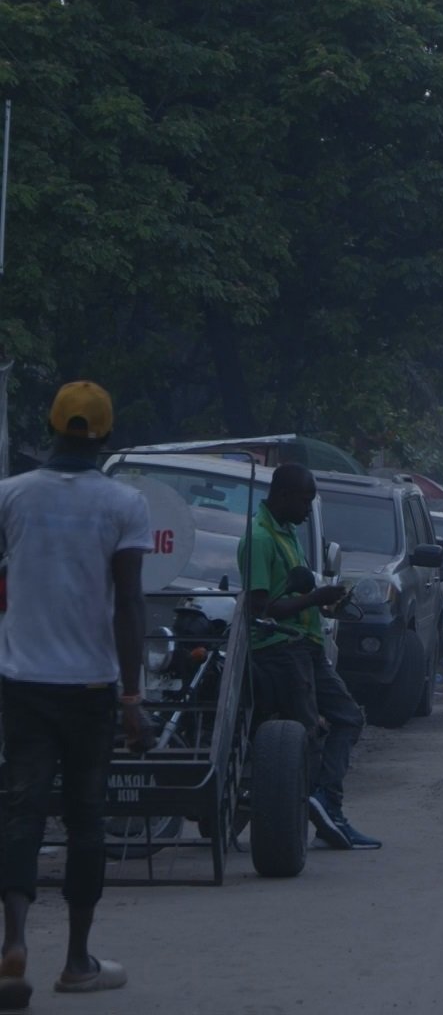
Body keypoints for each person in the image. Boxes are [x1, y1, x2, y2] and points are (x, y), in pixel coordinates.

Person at [0, 383, 152, 1008]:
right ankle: (78, 961)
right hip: (90, 689)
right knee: (86, 820)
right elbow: (130, 607)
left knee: (20, 813)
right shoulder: (125, 503)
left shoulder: (10, 495)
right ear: (106, 437)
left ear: (53, 427)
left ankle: (12, 947)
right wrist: (133, 696)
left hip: (21, 685)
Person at [242, 463, 379, 850]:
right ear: (283, 495)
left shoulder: (287, 534)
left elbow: (294, 594)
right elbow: (259, 608)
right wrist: (316, 598)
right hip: (280, 650)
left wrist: (325, 604)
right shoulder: (259, 538)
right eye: (305, 500)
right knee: (307, 737)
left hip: (307, 646)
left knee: (348, 717)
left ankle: (324, 804)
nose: (308, 509)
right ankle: (312, 817)